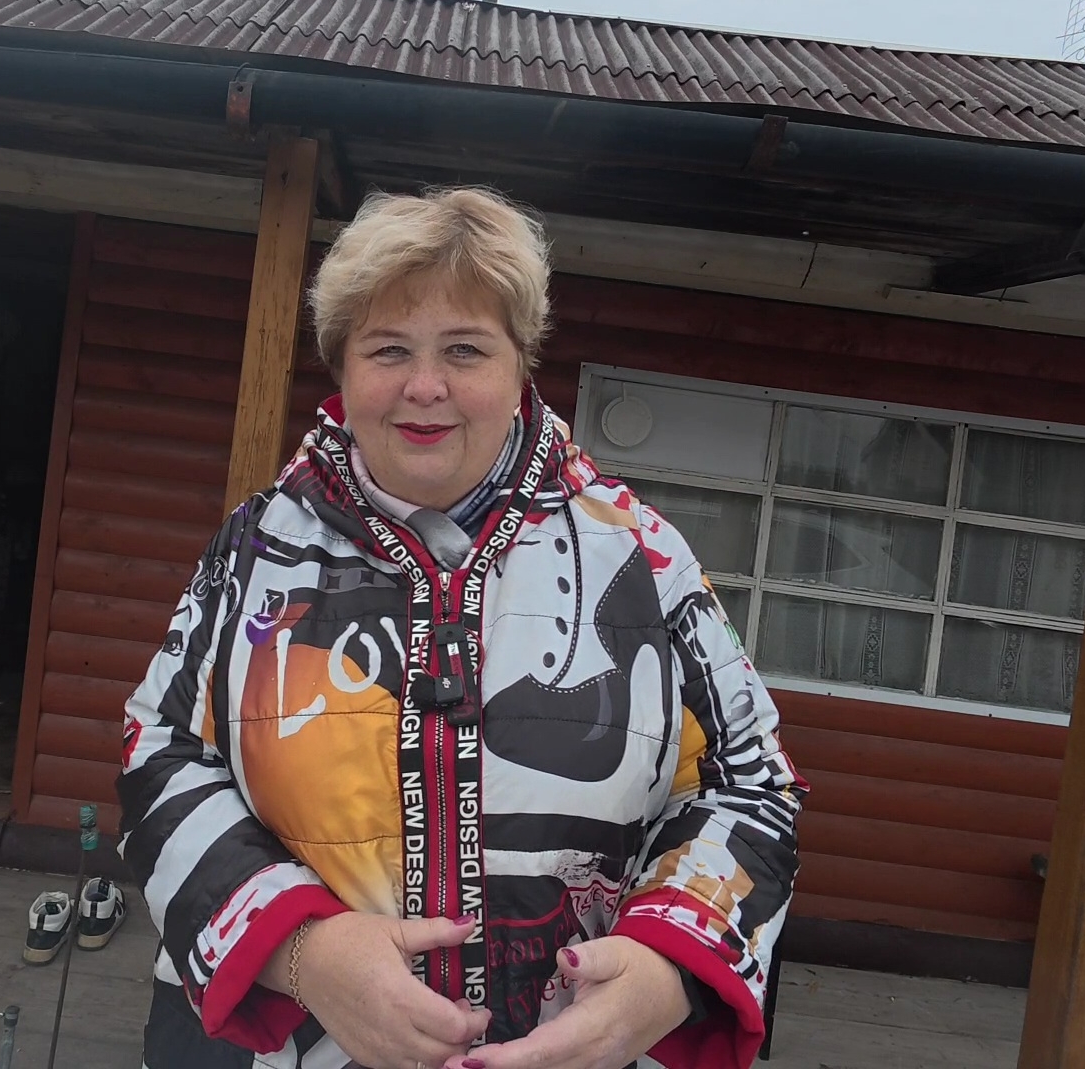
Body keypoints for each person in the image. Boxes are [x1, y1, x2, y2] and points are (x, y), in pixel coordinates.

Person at [118, 187, 805, 1069]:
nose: (425, 385)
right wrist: (301, 949)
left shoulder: (640, 555)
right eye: (389, 349)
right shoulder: (254, 551)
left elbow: (753, 781)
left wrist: (668, 968)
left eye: (465, 349)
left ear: (521, 366)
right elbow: (160, 748)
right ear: (343, 368)